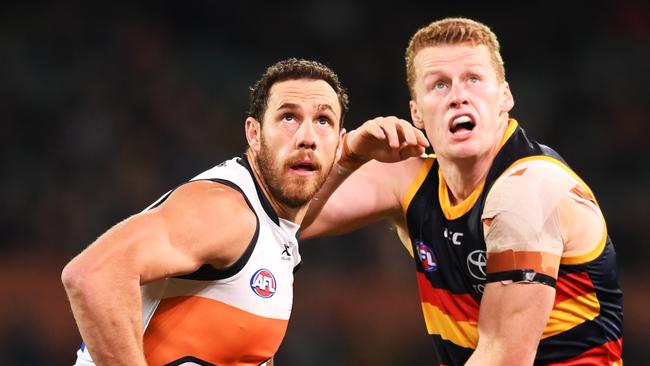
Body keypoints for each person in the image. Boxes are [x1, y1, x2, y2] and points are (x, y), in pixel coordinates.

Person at [301, 18, 624, 365]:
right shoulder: (410, 180)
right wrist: (348, 154)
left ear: (505, 96)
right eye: (439, 85)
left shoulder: (530, 188)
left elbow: (504, 358)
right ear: (416, 113)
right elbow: (287, 221)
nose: (458, 96)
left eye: (473, 79)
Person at [61, 58, 406, 366]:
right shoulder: (224, 211)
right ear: (254, 134)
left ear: (338, 140)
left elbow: (297, 220)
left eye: (323, 121)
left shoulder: (274, 222)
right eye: (289, 118)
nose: (307, 137)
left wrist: (352, 157)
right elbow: (93, 275)